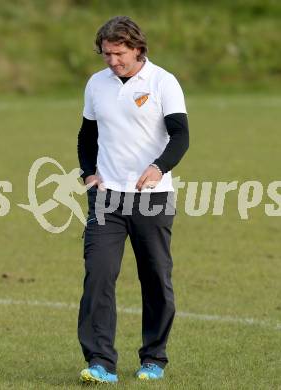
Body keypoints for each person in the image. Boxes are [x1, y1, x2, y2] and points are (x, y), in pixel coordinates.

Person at [77, 16, 189, 383]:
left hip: (151, 199)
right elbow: (86, 136)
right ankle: (100, 362)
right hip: (107, 198)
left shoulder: (163, 82)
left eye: (119, 53)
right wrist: (88, 173)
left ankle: (154, 357)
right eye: (106, 54)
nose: (112, 61)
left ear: (137, 48)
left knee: (155, 277)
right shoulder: (97, 84)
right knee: (99, 275)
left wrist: (159, 167)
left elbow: (180, 136)